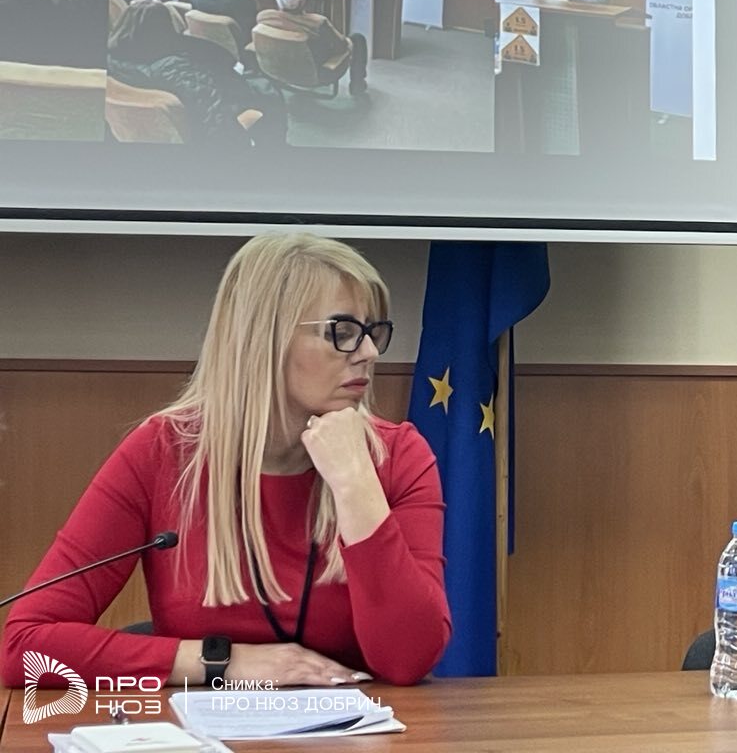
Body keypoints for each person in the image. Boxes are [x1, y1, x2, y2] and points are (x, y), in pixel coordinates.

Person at [0, 233, 450, 687]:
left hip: (366, 722)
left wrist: (355, 485)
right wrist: (221, 661)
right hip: (206, 721)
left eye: (373, 332)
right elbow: (24, 647)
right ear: (263, 340)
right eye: (343, 331)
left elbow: (408, 659)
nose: (370, 353)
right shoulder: (162, 453)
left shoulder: (397, 456)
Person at [107, 0, 285, 145]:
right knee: (267, 92)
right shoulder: (176, 68)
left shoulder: (111, 61)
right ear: (165, 25)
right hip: (211, 129)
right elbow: (215, 115)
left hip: (144, 134)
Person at [256, 0, 368, 96]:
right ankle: (357, 85)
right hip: (316, 75)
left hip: (277, 69)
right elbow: (341, 46)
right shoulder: (318, 23)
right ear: (302, 1)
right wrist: (348, 43)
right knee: (357, 39)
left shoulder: (264, 17)